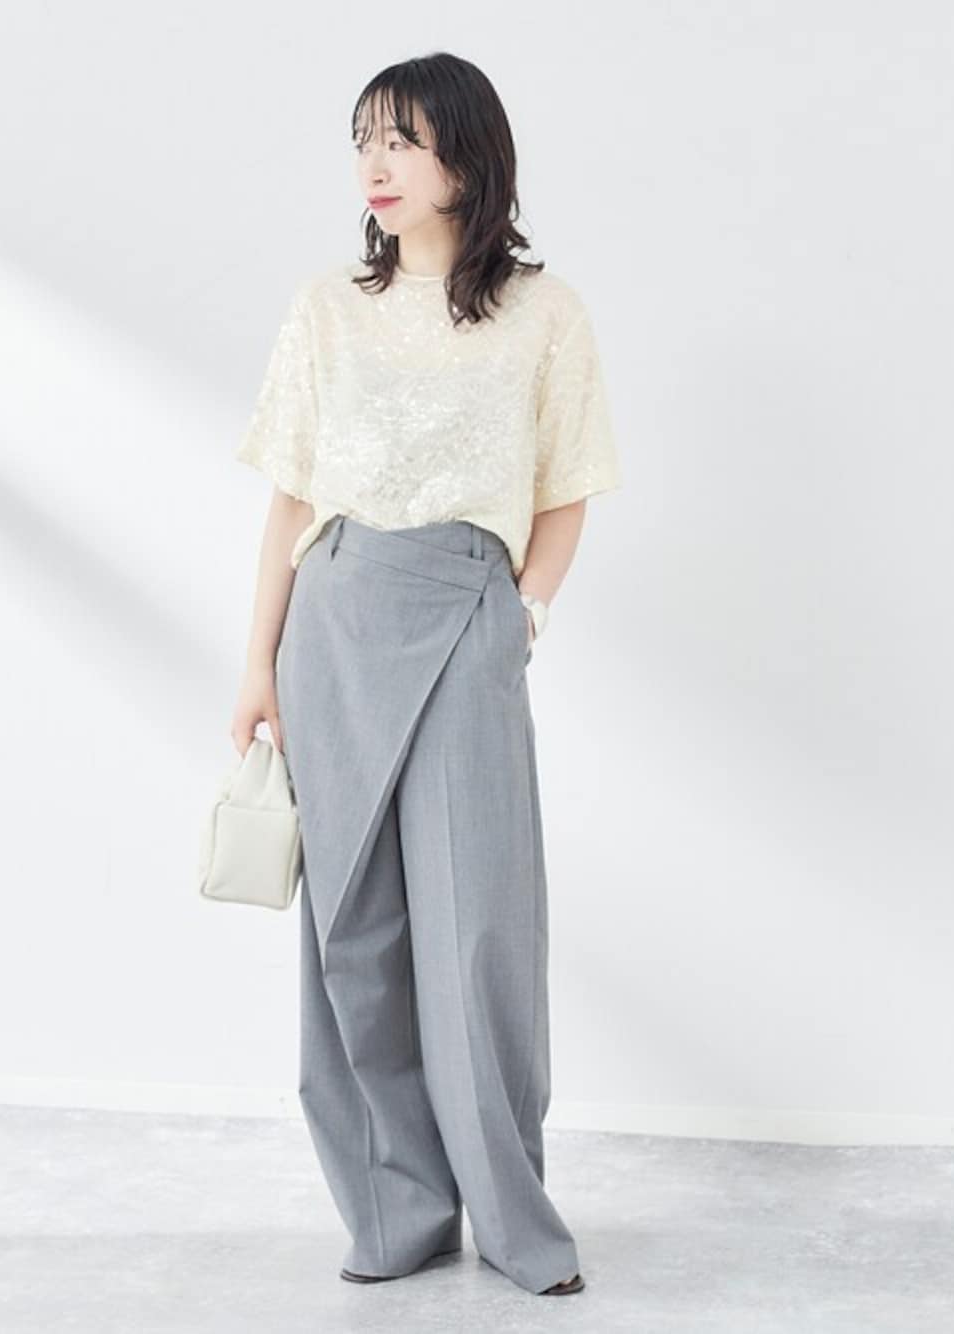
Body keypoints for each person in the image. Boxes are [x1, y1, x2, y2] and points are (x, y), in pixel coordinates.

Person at [231, 51, 621, 1299]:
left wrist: (523, 614)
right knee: (352, 930)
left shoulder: (544, 314)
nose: (376, 164)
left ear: (467, 151)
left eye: (401, 138)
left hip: (465, 613)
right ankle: (395, 1210)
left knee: (478, 931)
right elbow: (291, 495)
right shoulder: (326, 308)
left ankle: (511, 1216)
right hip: (335, 614)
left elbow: (565, 487)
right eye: (364, 140)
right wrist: (256, 663)